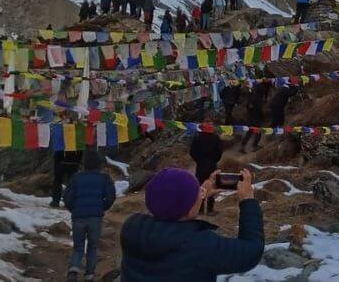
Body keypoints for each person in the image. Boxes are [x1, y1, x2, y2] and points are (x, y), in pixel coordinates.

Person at [119, 167, 264, 280]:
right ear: (189, 209)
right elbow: (251, 251)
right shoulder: (200, 245)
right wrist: (248, 201)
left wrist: (201, 192)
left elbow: (169, 204)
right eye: (197, 193)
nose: (200, 193)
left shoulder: (131, 227)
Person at [61, 150, 116, 282]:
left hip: (78, 216)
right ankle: (89, 275)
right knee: (92, 246)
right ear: (98, 164)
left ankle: (73, 270)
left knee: (78, 246)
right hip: (95, 218)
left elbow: (67, 197)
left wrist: (74, 208)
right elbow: (110, 196)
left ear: (84, 164)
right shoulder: (104, 178)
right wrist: (102, 207)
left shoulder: (76, 178)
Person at [189, 120, 224, 215]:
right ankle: (210, 209)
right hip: (212, 165)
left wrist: (198, 160)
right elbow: (219, 152)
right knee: (212, 186)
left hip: (200, 165)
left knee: (200, 187)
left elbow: (192, 152)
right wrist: (214, 160)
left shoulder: (197, 138)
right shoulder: (216, 138)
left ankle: (199, 209)